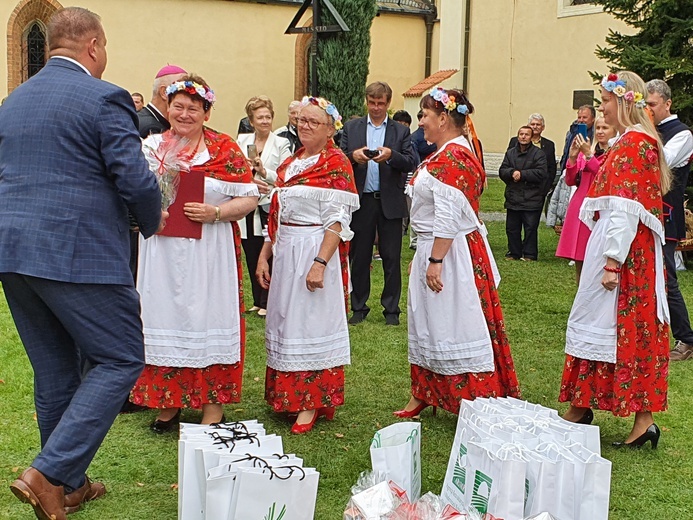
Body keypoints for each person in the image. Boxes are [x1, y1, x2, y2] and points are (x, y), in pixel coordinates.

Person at [0, 7, 164, 519]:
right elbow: (135, 179)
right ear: (93, 46)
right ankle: (48, 473)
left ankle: (67, 484)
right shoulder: (105, 96)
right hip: (79, 252)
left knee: (55, 373)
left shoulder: (12, 102)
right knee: (120, 358)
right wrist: (151, 219)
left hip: (13, 252)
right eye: (106, 46)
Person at [130, 75, 259, 432]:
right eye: (178, 106)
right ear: (167, 106)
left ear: (206, 111)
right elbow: (133, 193)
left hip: (209, 251)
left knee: (208, 318)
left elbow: (249, 197)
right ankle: (168, 403)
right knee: (165, 318)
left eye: (193, 108)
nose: (185, 114)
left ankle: (212, 407)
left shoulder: (223, 149)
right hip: (161, 253)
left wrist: (216, 212)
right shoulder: (151, 147)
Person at [560, 71, 671, 449]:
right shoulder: (634, 143)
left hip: (623, 253)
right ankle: (634, 419)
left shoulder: (632, 145)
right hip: (625, 250)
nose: (602, 108)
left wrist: (611, 262)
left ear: (623, 101)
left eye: (606, 100)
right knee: (623, 329)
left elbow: (624, 209)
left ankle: (586, 408)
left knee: (608, 324)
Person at [394, 87, 520, 417]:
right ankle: (425, 392)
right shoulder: (443, 154)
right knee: (429, 322)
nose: (420, 121)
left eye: (425, 115)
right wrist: (423, 255)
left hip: (453, 254)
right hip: (434, 246)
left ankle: (475, 398)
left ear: (444, 118)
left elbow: (448, 216)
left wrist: (435, 260)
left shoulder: (453, 158)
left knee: (456, 323)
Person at [257, 96, 359, 434]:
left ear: (331, 129)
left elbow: (336, 221)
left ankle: (313, 400)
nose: (304, 126)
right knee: (287, 321)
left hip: (313, 250)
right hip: (286, 249)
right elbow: (279, 212)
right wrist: (265, 252)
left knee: (311, 324)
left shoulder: (336, 163)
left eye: (313, 122)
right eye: (301, 120)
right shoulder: (293, 163)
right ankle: (288, 396)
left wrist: (319, 263)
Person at [340, 81, 417, 326]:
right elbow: (338, 161)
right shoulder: (351, 128)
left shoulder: (400, 131)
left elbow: (410, 161)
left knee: (391, 257)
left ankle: (391, 310)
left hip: (390, 201)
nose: (375, 107)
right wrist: (353, 157)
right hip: (362, 200)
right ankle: (359, 306)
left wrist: (391, 156)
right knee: (359, 256)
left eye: (380, 103)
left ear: (388, 103)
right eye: (372, 103)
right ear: (367, 101)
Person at [646, 79, 693, 361]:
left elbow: (661, 161)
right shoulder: (648, 131)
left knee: (665, 278)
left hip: (666, 214)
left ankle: (686, 339)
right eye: (645, 106)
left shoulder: (682, 134)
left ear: (667, 103)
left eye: (652, 105)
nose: (648, 111)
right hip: (645, 214)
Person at [237, 96, 292, 317]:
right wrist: (249, 179)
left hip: (269, 203)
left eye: (268, 117)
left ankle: (269, 300)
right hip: (247, 203)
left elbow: (285, 174)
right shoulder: (242, 141)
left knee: (267, 251)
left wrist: (263, 172)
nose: (265, 121)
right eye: (260, 117)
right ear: (251, 120)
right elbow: (236, 171)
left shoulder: (281, 143)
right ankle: (257, 299)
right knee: (250, 249)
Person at [555, 117, 616, 282]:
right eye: (598, 128)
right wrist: (573, 158)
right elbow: (570, 180)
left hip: (600, 207)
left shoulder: (615, 153)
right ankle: (581, 296)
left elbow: (605, 177)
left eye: (605, 127)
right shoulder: (589, 151)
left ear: (614, 130)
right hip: (581, 204)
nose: (601, 131)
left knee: (597, 257)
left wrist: (588, 154)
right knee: (580, 258)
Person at [499, 126, 548, 261]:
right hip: (513, 197)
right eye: (521, 134)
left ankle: (529, 254)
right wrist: (511, 173)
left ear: (531, 137)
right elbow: (502, 170)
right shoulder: (510, 153)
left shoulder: (538, 154)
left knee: (530, 228)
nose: (523, 137)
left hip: (532, 198)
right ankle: (514, 252)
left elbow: (541, 173)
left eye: (526, 134)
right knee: (512, 228)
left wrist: (522, 174)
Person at [508, 113, 557, 206]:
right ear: (528, 126)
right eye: (532, 124)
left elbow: (551, 168)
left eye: (538, 124)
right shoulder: (515, 141)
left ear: (543, 127)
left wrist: (546, 187)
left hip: (538, 191)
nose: (535, 127)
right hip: (517, 189)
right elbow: (508, 163)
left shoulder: (549, 145)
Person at [138, 64, 187, 138]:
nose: (188, 97)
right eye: (182, 91)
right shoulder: (152, 129)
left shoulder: (142, 117)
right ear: (164, 92)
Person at [558, 105, 596, 172]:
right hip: (569, 169)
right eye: (579, 117)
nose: (581, 120)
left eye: (584, 117)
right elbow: (566, 152)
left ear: (593, 119)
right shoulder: (571, 132)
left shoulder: (596, 134)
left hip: (586, 170)